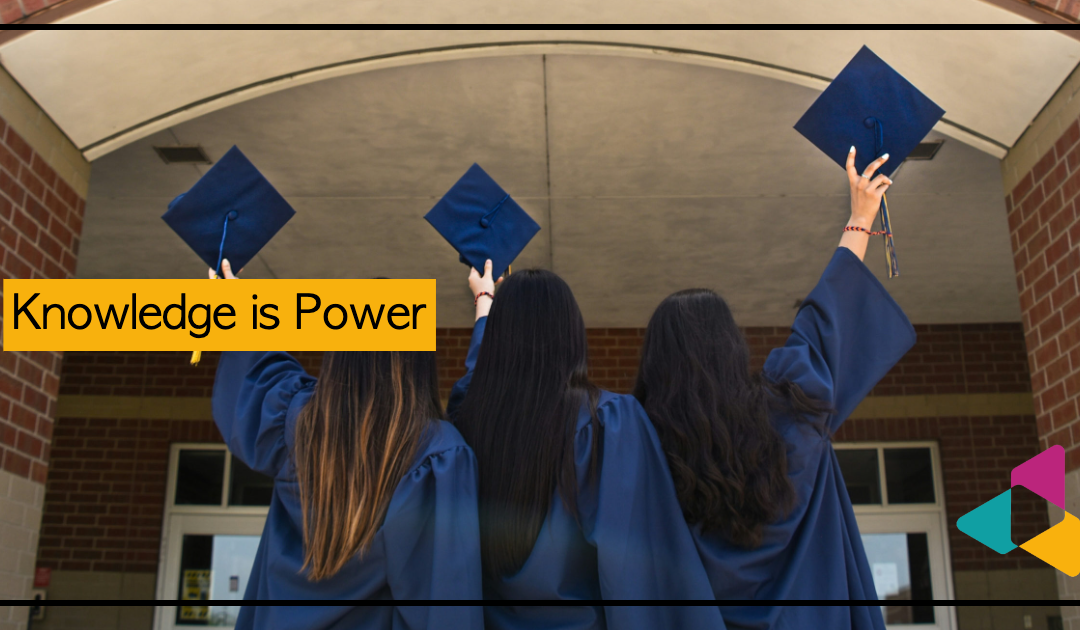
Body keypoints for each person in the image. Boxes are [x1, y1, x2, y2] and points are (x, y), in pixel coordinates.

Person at [633, 148, 915, 629]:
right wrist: (860, 216)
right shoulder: (791, 410)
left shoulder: (641, 451)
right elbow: (825, 319)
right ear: (732, 349)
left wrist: (490, 308)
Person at [209, 260, 483, 629]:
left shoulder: (294, 424)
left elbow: (256, 373)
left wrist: (234, 306)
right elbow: (446, 601)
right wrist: (485, 308)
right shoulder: (435, 453)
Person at [450, 261, 724, 629]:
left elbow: (475, 379)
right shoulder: (606, 421)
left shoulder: (467, 422)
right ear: (571, 334)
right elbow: (636, 569)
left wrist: (485, 303)